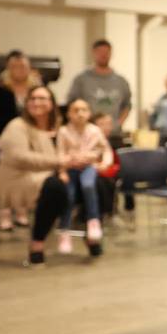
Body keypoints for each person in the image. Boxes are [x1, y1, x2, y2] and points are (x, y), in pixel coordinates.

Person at [0, 85, 80, 267]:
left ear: (52, 104)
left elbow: (63, 158)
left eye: (42, 98)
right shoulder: (16, 125)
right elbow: (19, 157)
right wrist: (59, 162)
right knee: (56, 188)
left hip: (43, 176)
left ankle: (89, 234)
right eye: (32, 98)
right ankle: (37, 244)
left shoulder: (57, 129)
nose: (36, 102)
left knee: (89, 182)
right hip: (17, 178)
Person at [57, 98, 107, 257]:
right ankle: (64, 231)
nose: (80, 114)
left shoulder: (95, 131)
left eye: (84, 110)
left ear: (89, 113)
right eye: (75, 110)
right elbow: (59, 153)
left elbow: (104, 150)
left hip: (90, 169)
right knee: (68, 196)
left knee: (89, 186)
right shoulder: (64, 131)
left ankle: (94, 224)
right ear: (68, 114)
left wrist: (101, 162)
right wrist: (62, 170)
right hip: (70, 169)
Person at [66, 39, 132, 144]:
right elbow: (72, 104)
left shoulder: (121, 81)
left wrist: (118, 124)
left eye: (106, 52)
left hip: (114, 136)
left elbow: (127, 106)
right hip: (86, 136)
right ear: (94, 53)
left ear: (111, 54)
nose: (103, 55)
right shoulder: (81, 79)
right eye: (100, 52)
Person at [0, 50, 37, 138]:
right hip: (5, 135)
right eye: (14, 67)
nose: (19, 70)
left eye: (22, 66)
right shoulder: (0, 91)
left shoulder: (36, 89)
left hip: (34, 134)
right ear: (8, 69)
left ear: (29, 68)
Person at [91, 113, 120, 219]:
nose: (106, 127)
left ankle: (108, 213)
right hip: (92, 170)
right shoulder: (90, 138)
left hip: (107, 171)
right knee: (101, 182)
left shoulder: (112, 141)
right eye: (102, 124)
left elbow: (110, 159)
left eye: (109, 124)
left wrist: (105, 165)